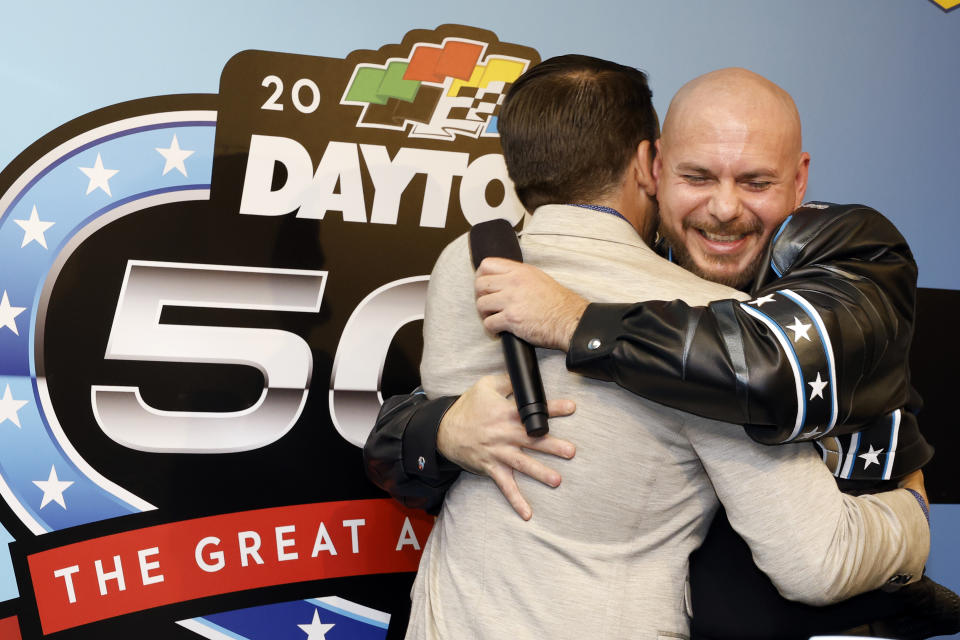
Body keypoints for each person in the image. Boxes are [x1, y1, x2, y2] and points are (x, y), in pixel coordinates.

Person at [387, 56, 929, 640]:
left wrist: (574, 318)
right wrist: (913, 516)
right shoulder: (700, 310)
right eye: (698, 177)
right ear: (653, 163)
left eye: (755, 181)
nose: (724, 207)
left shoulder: (463, 265)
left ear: (799, 180)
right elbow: (817, 561)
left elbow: (757, 360)